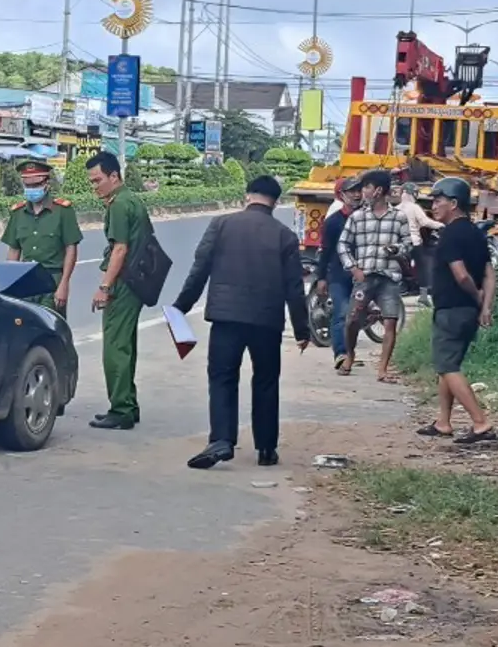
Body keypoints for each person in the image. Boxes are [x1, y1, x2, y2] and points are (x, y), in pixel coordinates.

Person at [170, 175, 313, 469]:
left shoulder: (221, 225)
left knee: (222, 377)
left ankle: (222, 440)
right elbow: (294, 288)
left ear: (248, 195)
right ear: (275, 202)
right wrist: (302, 329)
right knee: (266, 381)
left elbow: (200, 270)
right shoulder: (284, 235)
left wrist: (181, 307)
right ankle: (266, 449)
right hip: (267, 321)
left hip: (226, 318)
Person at [414, 177, 498, 443]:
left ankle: (480, 423)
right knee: (448, 365)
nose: (434, 206)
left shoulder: (450, 234)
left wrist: (475, 295)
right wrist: (484, 307)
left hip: (451, 310)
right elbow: (489, 274)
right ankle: (443, 422)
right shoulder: (475, 233)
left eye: (438, 201)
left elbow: (461, 275)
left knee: (447, 366)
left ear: (454, 203)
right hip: (468, 314)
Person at [88, 151, 151, 430]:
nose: (94, 187)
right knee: (126, 344)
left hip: (124, 283)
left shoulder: (119, 205)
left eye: (98, 180)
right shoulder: (130, 200)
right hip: (136, 281)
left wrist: (104, 286)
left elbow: (120, 249)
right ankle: (128, 404)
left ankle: (121, 409)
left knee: (115, 347)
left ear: (114, 176)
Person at [338, 168, 408, 381]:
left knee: (390, 322)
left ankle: (383, 369)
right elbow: (343, 244)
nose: (363, 192)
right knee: (352, 320)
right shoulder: (357, 217)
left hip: (389, 278)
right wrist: (353, 268)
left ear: (378, 191)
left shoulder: (399, 217)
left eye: (366, 187)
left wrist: (396, 250)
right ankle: (349, 355)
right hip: (364, 278)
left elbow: (408, 246)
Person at [0, 157, 82, 315]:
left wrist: (64, 284)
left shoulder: (63, 212)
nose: (31, 189)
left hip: (52, 280)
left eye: (36, 185)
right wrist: (9, 283)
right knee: (25, 327)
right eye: (28, 185)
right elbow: (13, 251)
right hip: (26, 279)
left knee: (51, 325)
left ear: (47, 184)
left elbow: (71, 249)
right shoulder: (18, 213)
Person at [314, 177, 363, 370]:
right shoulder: (333, 222)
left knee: (356, 317)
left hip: (361, 276)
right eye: (351, 191)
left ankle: (350, 353)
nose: (356, 194)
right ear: (341, 195)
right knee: (341, 313)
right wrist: (321, 278)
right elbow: (325, 251)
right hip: (338, 275)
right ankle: (341, 354)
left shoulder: (366, 218)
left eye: (359, 190)